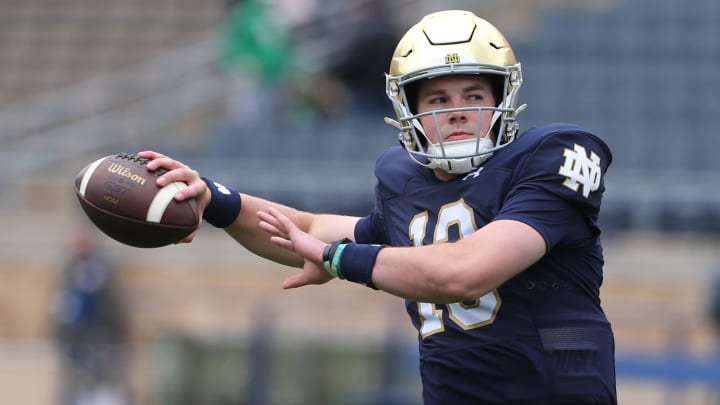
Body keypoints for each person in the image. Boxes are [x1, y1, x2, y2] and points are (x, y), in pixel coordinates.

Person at [141, 10, 616, 404]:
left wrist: (337, 258)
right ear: (408, 111)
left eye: (474, 95)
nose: (456, 110)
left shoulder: (551, 157)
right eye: (437, 98)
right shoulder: (405, 184)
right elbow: (308, 229)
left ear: (502, 101)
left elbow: (466, 271)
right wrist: (215, 200)